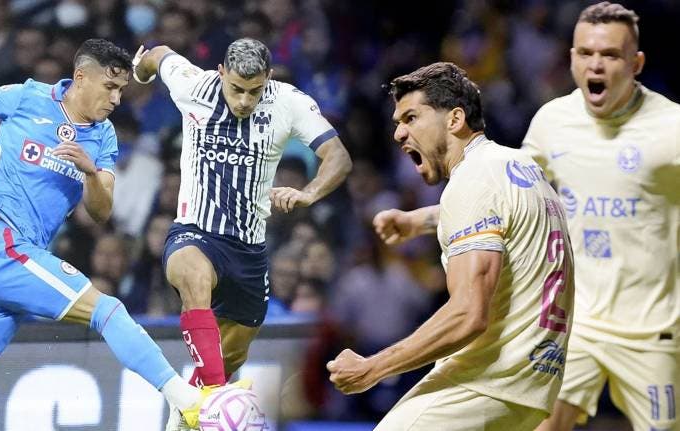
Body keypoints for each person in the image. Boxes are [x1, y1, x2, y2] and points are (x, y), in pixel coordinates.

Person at [0, 38, 208, 429]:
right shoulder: (29, 97)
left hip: (16, 259)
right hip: (4, 246)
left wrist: (90, 173)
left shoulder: (104, 137)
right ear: (81, 77)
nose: (116, 99)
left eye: (121, 90)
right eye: (110, 86)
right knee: (107, 310)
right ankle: (185, 400)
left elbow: (101, 211)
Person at [326, 62, 575, 430]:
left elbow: (468, 314)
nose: (398, 133)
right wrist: (419, 220)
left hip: (486, 381)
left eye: (411, 118)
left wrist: (372, 368)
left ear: (455, 119)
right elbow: (501, 216)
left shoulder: (473, 181)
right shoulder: (518, 167)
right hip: (531, 385)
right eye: (397, 122)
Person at [132, 38, 352, 390]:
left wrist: (308, 193)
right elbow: (159, 55)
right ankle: (215, 404)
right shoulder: (193, 85)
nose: (245, 101)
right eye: (237, 89)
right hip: (194, 232)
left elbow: (338, 157)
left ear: (268, 78)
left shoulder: (288, 102)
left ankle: (191, 407)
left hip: (248, 250)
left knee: (230, 357)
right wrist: (141, 72)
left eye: (254, 91)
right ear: (221, 73)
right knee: (194, 278)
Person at [522, 3, 680, 430]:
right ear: (571, 57)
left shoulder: (672, 128)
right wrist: (420, 220)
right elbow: (509, 199)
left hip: (653, 331)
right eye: (585, 53)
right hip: (578, 324)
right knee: (538, 424)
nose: (596, 64)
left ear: (636, 64)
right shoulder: (552, 121)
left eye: (610, 55)